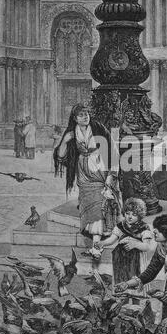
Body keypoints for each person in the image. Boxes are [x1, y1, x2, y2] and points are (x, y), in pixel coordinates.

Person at [54, 103, 121, 258]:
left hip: (100, 168)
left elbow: (112, 150)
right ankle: (96, 244)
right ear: (75, 118)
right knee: (89, 207)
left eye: (87, 114)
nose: (85, 117)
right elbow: (60, 156)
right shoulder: (72, 132)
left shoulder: (98, 128)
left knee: (99, 204)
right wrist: (65, 140)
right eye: (81, 115)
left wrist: (112, 174)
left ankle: (97, 246)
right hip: (83, 175)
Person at [96, 198, 153, 290]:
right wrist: (102, 243)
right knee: (122, 284)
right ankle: (123, 301)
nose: (130, 217)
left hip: (136, 260)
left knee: (135, 287)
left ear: (139, 215)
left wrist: (135, 244)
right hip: (121, 259)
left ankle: (136, 303)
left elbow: (146, 247)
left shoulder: (144, 228)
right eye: (127, 213)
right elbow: (112, 239)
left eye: (134, 215)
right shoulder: (121, 226)